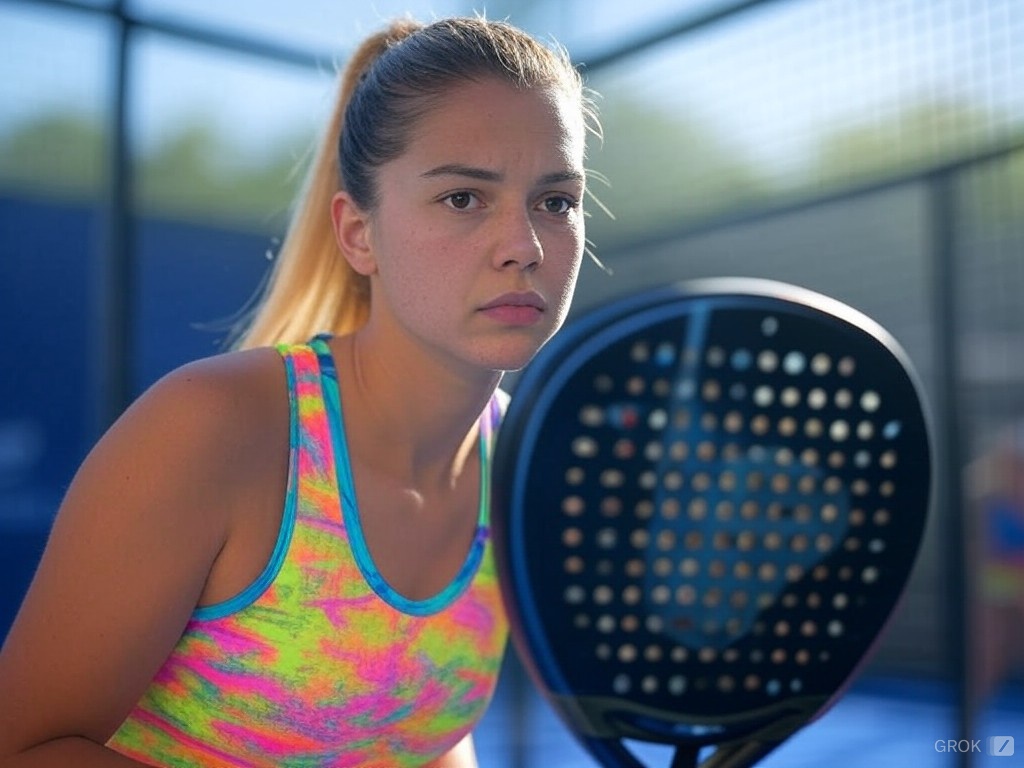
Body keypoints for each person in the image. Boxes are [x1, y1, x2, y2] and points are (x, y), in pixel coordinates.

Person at [0, 15, 601, 767]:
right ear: (358, 233)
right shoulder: (211, 429)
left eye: (557, 201)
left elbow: (417, 730)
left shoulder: (522, 467)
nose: (526, 247)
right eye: (462, 199)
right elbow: (22, 748)